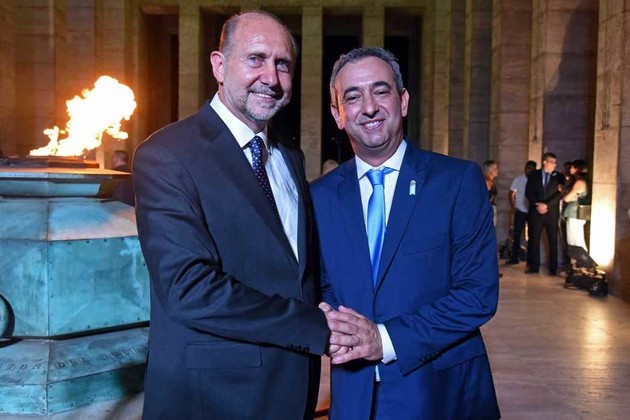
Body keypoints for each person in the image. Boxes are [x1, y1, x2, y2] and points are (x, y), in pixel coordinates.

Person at [133, 11, 331, 419]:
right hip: (213, 399)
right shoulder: (167, 154)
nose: (271, 78)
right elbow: (188, 288)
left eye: (283, 64)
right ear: (219, 66)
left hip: (291, 391)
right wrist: (312, 325)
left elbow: (293, 269)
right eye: (256, 59)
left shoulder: (290, 156)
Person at [311, 47, 500, 419]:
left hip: (440, 396)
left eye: (381, 91)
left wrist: (384, 339)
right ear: (337, 114)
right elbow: (323, 285)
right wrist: (326, 318)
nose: (369, 107)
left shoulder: (457, 181)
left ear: (403, 100)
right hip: (354, 398)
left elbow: (477, 294)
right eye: (353, 97)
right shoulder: (319, 196)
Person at [525, 152, 565, 275]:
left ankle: (553, 268)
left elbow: (560, 194)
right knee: (534, 239)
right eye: (552, 162)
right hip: (536, 212)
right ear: (544, 162)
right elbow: (528, 192)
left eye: (555, 162)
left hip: (551, 212)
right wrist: (537, 204)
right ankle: (534, 266)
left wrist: (546, 205)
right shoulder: (534, 175)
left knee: (552, 239)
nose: (554, 165)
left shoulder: (559, 176)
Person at [506, 160, 537, 265]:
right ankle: (514, 257)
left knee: (532, 234)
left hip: (532, 210)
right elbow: (511, 192)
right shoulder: (519, 179)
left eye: (532, 169)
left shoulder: (536, 180)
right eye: (528, 168)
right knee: (517, 234)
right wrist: (513, 206)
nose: (530, 171)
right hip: (520, 210)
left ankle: (530, 258)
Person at [562, 159, 589, 251]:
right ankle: (576, 259)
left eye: (572, 167)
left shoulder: (579, 182)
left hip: (575, 215)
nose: (570, 169)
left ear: (577, 169)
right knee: (573, 241)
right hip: (574, 214)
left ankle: (583, 259)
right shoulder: (578, 181)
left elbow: (567, 198)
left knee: (576, 241)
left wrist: (563, 192)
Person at [482, 160, 499, 226]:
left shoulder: (491, 182)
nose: (497, 171)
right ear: (490, 170)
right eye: (495, 169)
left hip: (490, 207)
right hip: (487, 209)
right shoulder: (486, 182)